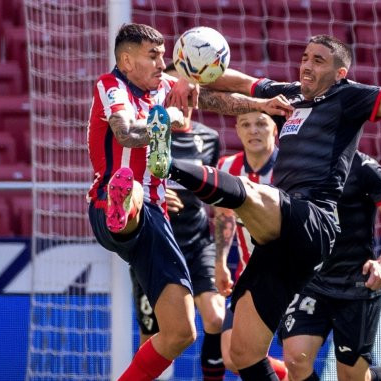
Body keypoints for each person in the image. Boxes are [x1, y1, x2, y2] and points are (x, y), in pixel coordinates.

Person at [157, 34, 381, 380]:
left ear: (339, 73)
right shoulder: (287, 96)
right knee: (243, 353)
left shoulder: (348, 98)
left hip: (314, 219)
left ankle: (168, 164)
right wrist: (189, 76)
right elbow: (237, 82)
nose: (306, 65)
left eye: (318, 60)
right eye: (304, 57)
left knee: (255, 194)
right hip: (283, 238)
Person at [86, 23, 291, 381]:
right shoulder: (111, 86)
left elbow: (215, 100)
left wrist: (262, 103)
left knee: (182, 332)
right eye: (154, 56)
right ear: (126, 60)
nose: (163, 63)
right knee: (129, 184)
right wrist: (165, 121)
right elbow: (125, 133)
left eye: (163, 55)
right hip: (108, 205)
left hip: (158, 218)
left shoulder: (162, 89)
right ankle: (124, 207)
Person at [129, 62, 226, 380]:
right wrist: (154, 197)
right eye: (179, 85)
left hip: (197, 243)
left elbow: (215, 193)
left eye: (193, 86)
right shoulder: (144, 132)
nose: (186, 92)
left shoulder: (209, 138)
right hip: (155, 244)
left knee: (214, 318)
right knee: (153, 337)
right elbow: (126, 182)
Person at [279, 151, 381, 381]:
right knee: (294, 359)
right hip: (311, 280)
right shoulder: (299, 163)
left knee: (351, 376)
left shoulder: (365, 167)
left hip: (356, 284)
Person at [212, 111, 289, 380]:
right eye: (246, 124)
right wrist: (220, 262)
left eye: (261, 124)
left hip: (294, 279)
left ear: (275, 130)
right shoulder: (227, 168)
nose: (253, 130)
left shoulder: (291, 168)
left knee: (299, 353)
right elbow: (224, 217)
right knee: (232, 356)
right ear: (237, 130)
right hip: (250, 278)